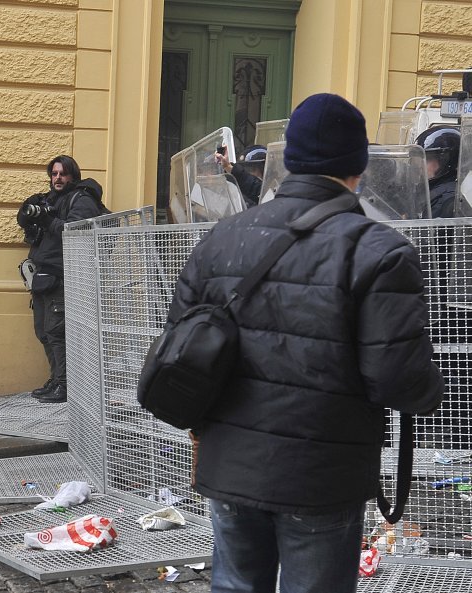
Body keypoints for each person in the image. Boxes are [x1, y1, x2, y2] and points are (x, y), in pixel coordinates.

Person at [168, 93, 443, 592]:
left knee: (234, 585)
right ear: (359, 165)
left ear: (289, 160)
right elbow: (398, 381)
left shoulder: (220, 238)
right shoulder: (380, 249)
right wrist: (432, 386)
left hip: (229, 461)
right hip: (321, 475)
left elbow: (183, 349)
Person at [17, 155, 107, 403]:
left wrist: (49, 219)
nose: (57, 178)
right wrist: (29, 211)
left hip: (63, 276)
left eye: (62, 174)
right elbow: (28, 224)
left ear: (72, 176)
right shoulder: (50, 200)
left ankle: (65, 385)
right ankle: (56, 379)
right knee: (43, 332)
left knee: (57, 332)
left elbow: (75, 231)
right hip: (42, 276)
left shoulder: (83, 199)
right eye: (54, 174)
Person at [415, 126, 461, 218]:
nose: (420, 166)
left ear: (447, 161)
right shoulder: (432, 189)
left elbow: (429, 232)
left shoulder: (446, 199)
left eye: (427, 159)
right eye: (420, 159)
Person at [217, 144, 267, 209]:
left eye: (252, 169)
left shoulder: (273, 192)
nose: (247, 173)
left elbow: (255, 187)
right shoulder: (241, 194)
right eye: (245, 169)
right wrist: (227, 167)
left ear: (264, 169)